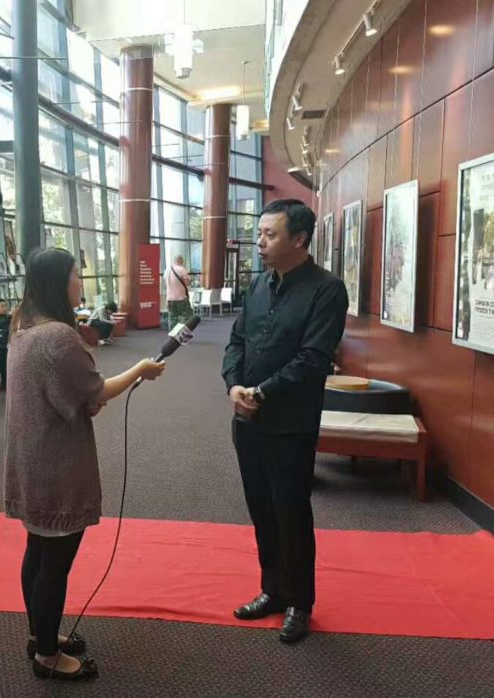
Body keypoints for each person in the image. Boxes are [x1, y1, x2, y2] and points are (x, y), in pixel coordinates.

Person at [4, 248, 165, 681]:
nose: (81, 282)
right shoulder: (57, 336)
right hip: (55, 466)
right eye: (76, 274)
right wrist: (139, 370)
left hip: (30, 460)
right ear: (59, 282)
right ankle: (46, 656)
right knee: (54, 564)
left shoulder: (23, 325)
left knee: (38, 552)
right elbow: (94, 394)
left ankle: (40, 635)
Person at [222, 198, 348, 644]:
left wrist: (261, 392)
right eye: (259, 233)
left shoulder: (327, 290)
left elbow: (313, 358)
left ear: (299, 239)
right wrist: (234, 386)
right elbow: (237, 342)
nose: (259, 242)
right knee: (261, 509)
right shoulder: (259, 284)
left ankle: (299, 602)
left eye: (269, 234)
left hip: (290, 424)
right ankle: (272, 590)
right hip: (247, 421)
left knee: (291, 511)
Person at [164, 254, 192, 330]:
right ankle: (181, 333)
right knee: (186, 316)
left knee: (172, 317)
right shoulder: (182, 270)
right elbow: (187, 283)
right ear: (181, 260)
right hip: (181, 298)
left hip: (170, 299)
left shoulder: (167, 270)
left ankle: (173, 334)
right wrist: (189, 281)